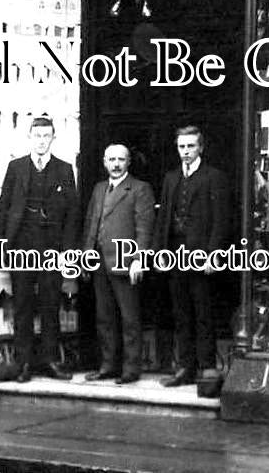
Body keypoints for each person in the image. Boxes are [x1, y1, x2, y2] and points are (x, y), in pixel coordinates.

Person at [0, 117, 80, 382]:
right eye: (37, 135)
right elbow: (3, 209)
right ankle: (24, 364)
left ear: (54, 138)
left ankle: (50, 360)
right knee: (22, 305)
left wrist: (67, 252)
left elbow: (73, 214)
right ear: (29, 137)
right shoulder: (16, 167)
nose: (41, 141)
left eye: (46, 136)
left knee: (50, 304)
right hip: (21, 245)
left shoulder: (64, 169)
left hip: (52, 247)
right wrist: (1, 247)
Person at [154, 125, 231, 387]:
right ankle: (185, 367)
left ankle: (207, 366)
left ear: (201, 147)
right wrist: (160, 252)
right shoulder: (171, 178)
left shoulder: (214, 177)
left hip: (201, 255)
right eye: (181, 147)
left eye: (190, 146)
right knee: (181, 313)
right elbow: (163, 217)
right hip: (176, 254)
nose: (185, 151)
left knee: (203, 312)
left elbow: (221, 220)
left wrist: (213, 254)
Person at [81, 144, 155, 385]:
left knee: (129, 318)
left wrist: (139, 260)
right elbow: (92, 223)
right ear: (104, 162)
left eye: (120, 160)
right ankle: (108, 365)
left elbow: (144, 228)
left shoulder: (140, 188)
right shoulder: (99, 188)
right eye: (111, 159)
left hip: (125, 261)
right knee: (104, 317)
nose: (116, 164)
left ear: (128, 162)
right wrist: (85, 256)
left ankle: (130, 369)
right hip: (99, 261)